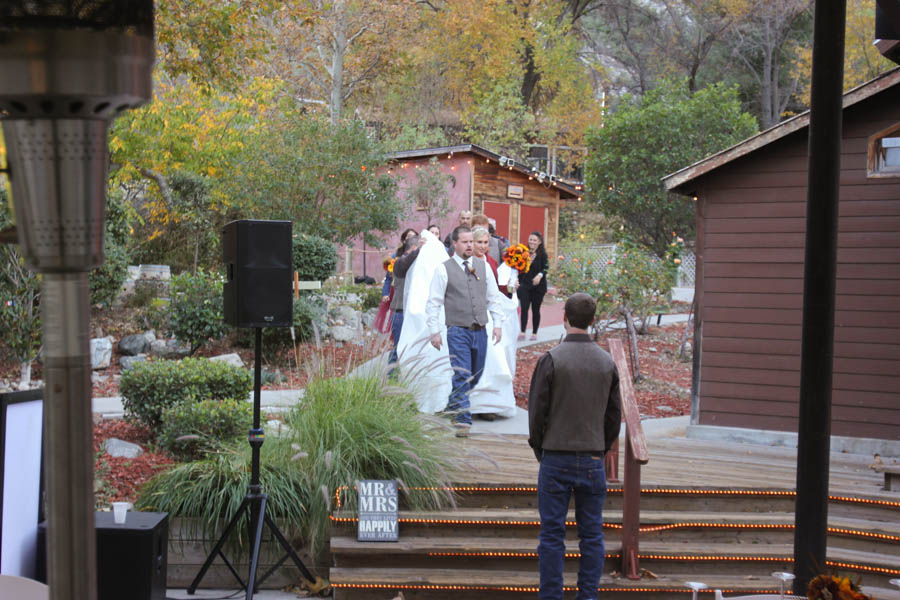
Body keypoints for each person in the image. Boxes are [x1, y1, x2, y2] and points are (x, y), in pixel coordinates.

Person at [528, 293, 622, 600]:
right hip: (593, 458)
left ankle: (551, 596)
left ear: (564, 317)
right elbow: (613, 416)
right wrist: (602, 446)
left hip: (555, 457)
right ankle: (587, 596)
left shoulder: (551, 359)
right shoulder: (606, 362)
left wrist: (541, 449)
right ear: (594, 320)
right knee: (592, 535)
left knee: (552, 535)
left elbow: (536, 413)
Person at [426, 226, 505, 436]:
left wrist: (497, 323)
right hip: (457, 330)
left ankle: (452, 405)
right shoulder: (443, 269)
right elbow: (433, 303)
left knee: (475, 376)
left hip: (480, 330)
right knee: (462, 374)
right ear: (455, 243)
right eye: (465, 242)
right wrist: (434, 331)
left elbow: (493, 297)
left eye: (472, 241)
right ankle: (463, 421)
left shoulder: (484, 266)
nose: (470, 245)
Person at [468, 227, 518, 420]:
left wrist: (509, 289)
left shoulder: (491, 262)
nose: (482, 246)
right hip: (471, 315)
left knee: (494, 357)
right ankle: (471, 404)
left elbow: (493, 290)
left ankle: (490, 405)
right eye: (479, 242)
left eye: (485, 242)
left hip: (488, 315)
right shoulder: (466, 262)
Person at [387, 233, 423, 366]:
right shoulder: (400, 262)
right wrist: (421, 249)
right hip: (400, 312)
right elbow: (405, 264)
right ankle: (391, 378)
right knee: (398, 349)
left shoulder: (417, 265)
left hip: (412, 313)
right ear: (414, 248)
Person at [517, 231, 549, 341]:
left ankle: (534, 332)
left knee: (536, 309)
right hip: (525, 285)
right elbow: (518, 267)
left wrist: (539, 276)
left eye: (534, 240)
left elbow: (546, 267)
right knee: (524, 308)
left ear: (539, 242)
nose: (532, 242)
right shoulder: (523, 252)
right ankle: (522, 331)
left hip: (538, 287)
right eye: (530, 239)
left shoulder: (543, 254)